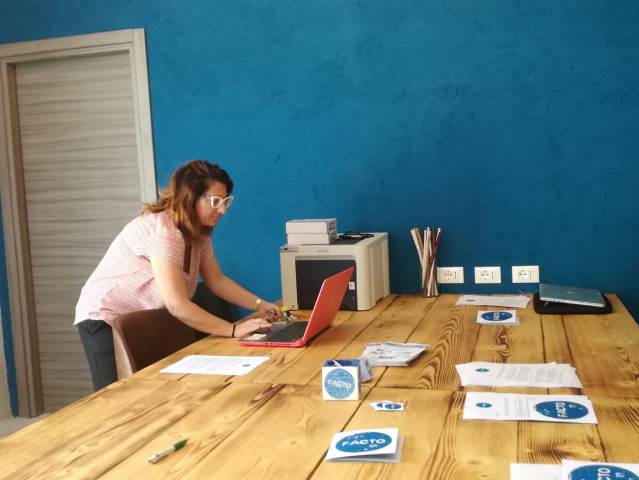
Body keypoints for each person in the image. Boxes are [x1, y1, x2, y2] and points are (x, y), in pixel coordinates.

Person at [75, 160, 279, 390]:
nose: (222, 210)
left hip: (141, 318)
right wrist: (233, 330)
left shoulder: (199, 234)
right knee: (113, 398)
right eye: (215, 201)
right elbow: (177, 305)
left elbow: (217, 280)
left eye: (226, 201)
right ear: (189, 196)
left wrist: (260, 304)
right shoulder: (164, 231)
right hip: (104, 318)